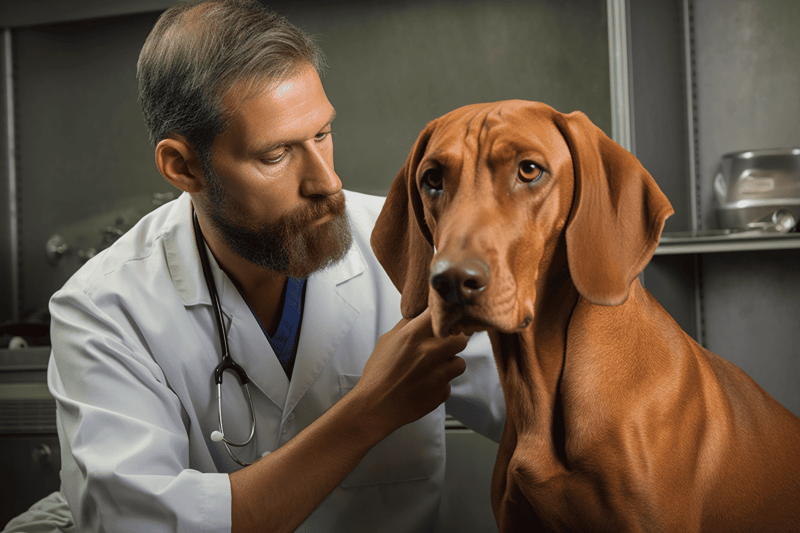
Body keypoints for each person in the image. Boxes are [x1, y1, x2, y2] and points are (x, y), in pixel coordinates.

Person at [2, 1, 504, 532]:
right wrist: (368, 412)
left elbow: (545, 411)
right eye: (276, 155)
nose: (326, 182)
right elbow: (139, 524)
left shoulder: (413, 244)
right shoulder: (105, 310)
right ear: (183, 166)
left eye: (322, 134)